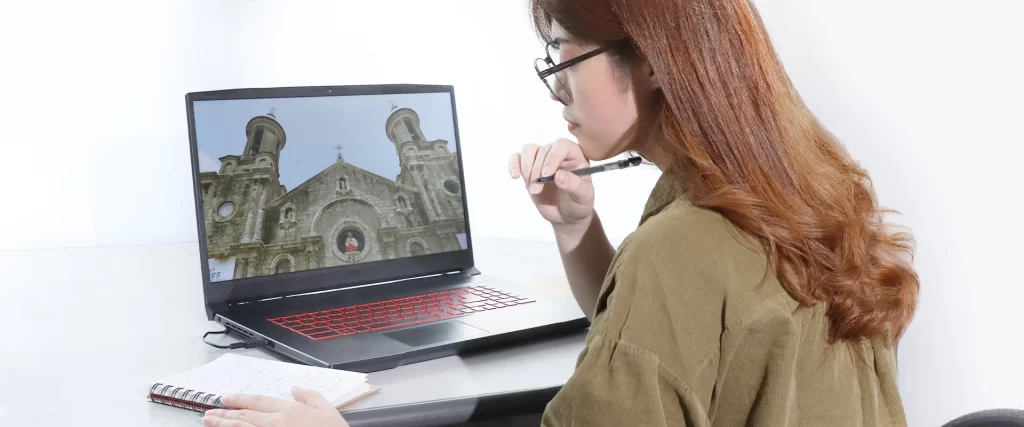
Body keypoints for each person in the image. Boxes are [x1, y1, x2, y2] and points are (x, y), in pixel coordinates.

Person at [200, 0, 920, 425]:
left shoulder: (680, 246)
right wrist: (576, 227)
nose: (553, 88)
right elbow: (679, 341)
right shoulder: (798, 188)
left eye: (562, 55)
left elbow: (669, 310)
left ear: (652, 60)